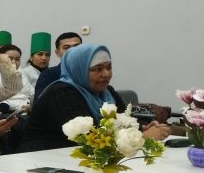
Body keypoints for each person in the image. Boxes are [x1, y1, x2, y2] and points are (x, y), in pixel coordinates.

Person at [19, 43, 170, 152]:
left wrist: (140, 129)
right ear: (79, 69)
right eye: (97, 69)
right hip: (43, 160)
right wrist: (143, 137)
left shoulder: (107, 92)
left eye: (109, 67)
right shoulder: (62, 93)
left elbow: (123, 120)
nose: (106, 74)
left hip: (84, 160)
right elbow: (91, 140)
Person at [33, 31, 82, 101]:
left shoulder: (91, 72)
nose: (72, 51)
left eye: (76, 46)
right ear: (57, 53)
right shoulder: (49, 75)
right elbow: (40, 104)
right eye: (66, 48)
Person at [0, 42, 33, 112]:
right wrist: (21, 106)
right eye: (10, 58)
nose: (14, 62)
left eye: (17, 59)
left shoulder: (22, 75)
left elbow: (32, 94)